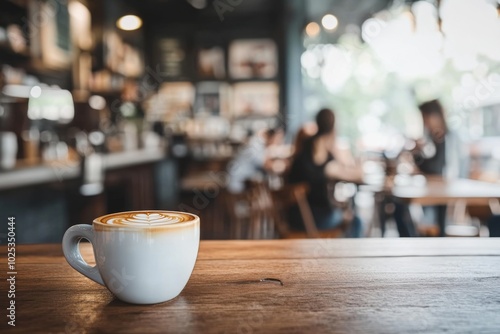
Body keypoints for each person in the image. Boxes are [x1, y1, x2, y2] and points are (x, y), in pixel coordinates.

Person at [394, 99, 468, 237]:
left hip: (444, 188)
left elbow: (434, 167)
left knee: (402, 207)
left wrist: (416, 154)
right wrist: (417, 152)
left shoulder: (443, 136)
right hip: (438, 188)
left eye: (425, 117)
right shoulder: (436, 136)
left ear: (434, 116)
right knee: (400, 206)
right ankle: (419, 239)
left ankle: (419, 239)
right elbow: (430, 164)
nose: (425, 123)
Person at [287, 108, 363, 237]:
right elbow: (357, 175)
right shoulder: (329, 163)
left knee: (343, 213)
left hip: (292, 216)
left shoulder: (304, 147)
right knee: (356, 221)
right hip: (314, 220)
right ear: (334, 126)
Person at [227, 127, 284, 194]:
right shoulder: (256, 144)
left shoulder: (260, 145)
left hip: (245, 183)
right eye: (278, 139)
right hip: (238, 185)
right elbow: (267, 165)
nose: (279, 143)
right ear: (271, 137)